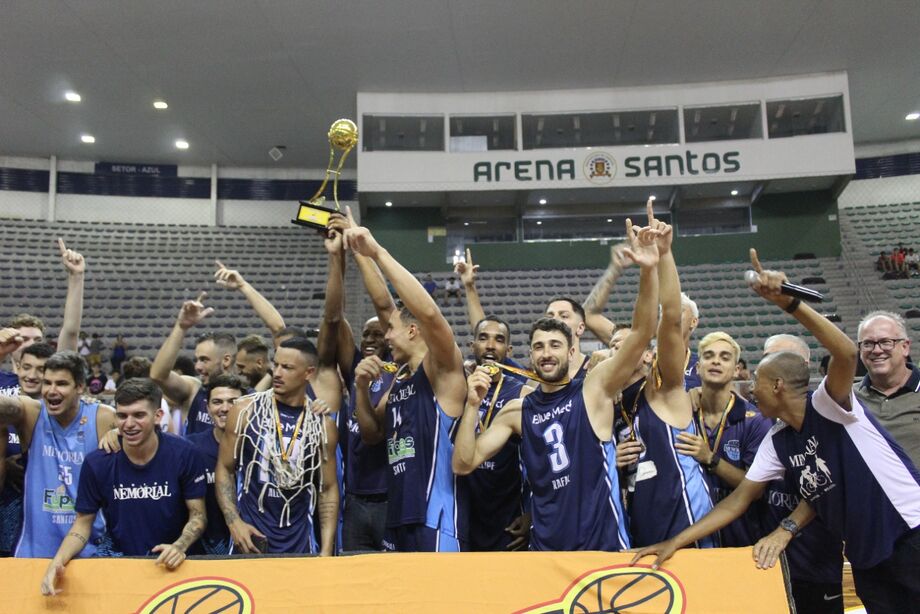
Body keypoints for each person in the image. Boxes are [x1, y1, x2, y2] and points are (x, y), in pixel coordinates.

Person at [632, 248, 920, 614]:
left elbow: (846, 353)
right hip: (866, 552)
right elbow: (739, 500)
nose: (750, 387)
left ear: (780, 385)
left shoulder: (829, 404)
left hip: (909, 534)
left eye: (758, 380)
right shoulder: (778, 438)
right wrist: (676, 541)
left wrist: (791, 303)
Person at [452, 214, 660, 551]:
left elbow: (641, 334)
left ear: (570, 349)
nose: (546, 354)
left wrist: (649, 269)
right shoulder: (517, 410)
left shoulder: (594, 388)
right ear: (530, 356)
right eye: (538, 346)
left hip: (601, 546)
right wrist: (472, 405)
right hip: (545, 550)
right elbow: (463, 463)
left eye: (554, 345)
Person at [334, 208, 469, 553]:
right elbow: (372, 433)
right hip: (397, 516)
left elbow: (427, 314)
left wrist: (376, 251)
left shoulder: (440, 370)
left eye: (390, 330)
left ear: (412, 331)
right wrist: (361, 391)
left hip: (435, 518)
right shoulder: (399, 379)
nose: (385, 336)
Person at [40, 378, 207, 596]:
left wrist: (179, 546)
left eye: (139, 415)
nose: (129, 424)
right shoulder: (98, 462)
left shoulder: (185, 453)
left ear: (158, 416)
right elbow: (82, 524)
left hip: (177, 565)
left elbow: (198, 515)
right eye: (122, 415)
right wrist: (57, 562)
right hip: (122, 563)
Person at [620, 202, 713, 549]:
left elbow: (671, 317)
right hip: (640, 520)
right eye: (615, 347)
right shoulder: (613, 404)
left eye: (629, 342)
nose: (622, 351)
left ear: (646, 352)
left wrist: (663, 256)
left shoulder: (663, 388)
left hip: (685, 519)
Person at [215, 337, 339, 555]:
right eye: (276, 364)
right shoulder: (245, 410)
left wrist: (327, 550)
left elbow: (327, 489)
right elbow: (225, 468)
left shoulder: (322, 424)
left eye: (287, 367)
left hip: (299, 542)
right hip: (251, 538)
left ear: (308, 373)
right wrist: (234, 522)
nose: (277, 373)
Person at [0, 351, 116, 558]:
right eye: (47, 383)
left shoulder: (102, 417)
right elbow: (5, 406)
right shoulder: (31, 413)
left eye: (61, 384)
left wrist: (121, 432)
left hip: (89, 550)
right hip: (34, 551)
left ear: (80, 387)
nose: (51, 391)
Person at [683, 332, 773, 547]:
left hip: (741, 538)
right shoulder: (683, 413)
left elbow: (757, 489)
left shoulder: (755, 422)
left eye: (725, 357)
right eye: (708, 355)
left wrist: (710, 459)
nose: (716, 361)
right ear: (697, 368)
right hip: (691, 536)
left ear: (736, 370)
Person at [463, 316, 533, 551]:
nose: (491, 345)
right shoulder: (457, 386)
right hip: (461, 511)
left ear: (508, 349)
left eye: (499, 340)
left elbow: (542, 458)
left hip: (507, 516)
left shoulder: (523, 393)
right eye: (483, 338)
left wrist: (532, 513)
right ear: (473, 345)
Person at [150, 294, 236, 435]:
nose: (197, 367)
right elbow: (158, 375)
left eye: (204, 360)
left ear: (226, 360)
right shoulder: (193, 390)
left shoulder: (248, 397)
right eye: (197, 360)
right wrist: (181, 327)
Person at [0, 342, 54, 557]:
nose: (32, 375)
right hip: (8, 506)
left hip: (50, 510)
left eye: (40, 369)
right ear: (17, 368)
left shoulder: (64, 412)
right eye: (26, 367)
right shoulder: (5, 410)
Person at [183, 374, 244, 555]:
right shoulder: (189, 448)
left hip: (251, 549)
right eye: (217, 402)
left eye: (233, 401)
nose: (225, 408)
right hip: (203, 553)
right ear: (207, 408)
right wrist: (116, 434)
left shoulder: (260, 448)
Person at [854, 310, 920, 469]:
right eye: (868, 343)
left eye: (885, 342)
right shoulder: (848, 398)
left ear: (905, 347)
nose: (876, 350)